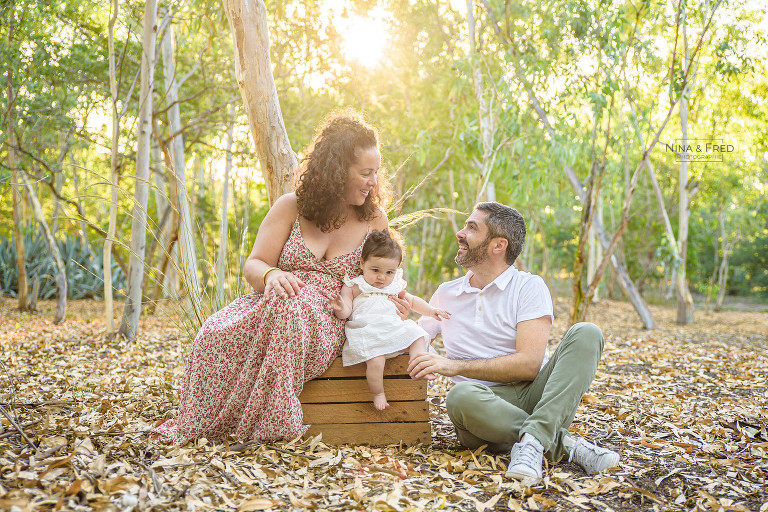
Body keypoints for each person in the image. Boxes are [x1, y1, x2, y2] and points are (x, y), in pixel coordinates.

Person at [153, 110, 390, 444]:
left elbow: (386, 277)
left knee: (289, 314)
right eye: (366, 172)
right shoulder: (290, 206)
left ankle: (271, 426)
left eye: (376, 173)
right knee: (213, 334)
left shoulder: (374, 220)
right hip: (271, 299)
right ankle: (205, 424)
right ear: (337, 171)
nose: (373, 182)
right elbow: (254, 264)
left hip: (326, 315)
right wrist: (272, 273)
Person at [407, 202, 619, 484]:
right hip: (482, 411)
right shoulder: (447, 292)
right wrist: (398, 323)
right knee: (460, 396)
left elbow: (529, 365)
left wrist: (451, 365)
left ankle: (532, 440)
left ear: (498, 245)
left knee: (587, 332)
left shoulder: (528, 287)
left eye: (472, 228)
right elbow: (419, 336)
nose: (460, 233)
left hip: (537, 397)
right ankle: (561, 443)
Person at [329, 229, 450, 410]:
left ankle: (418, 365)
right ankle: (378, 393)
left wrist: (431, 311)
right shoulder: (355, 285)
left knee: (417, 334)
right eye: (375, 270)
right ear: (362, 263)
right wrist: (340, 308)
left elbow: (412, 301)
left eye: (389, 272)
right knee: (376, 360)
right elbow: (346, 310)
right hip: (367, 330)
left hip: (391, 328)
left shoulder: (394, 286)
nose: (381, 277)